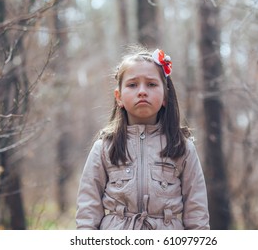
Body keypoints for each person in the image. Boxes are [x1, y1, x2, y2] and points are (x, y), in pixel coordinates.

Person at [75, 46, 210, 230]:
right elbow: (87, 210)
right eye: (132, 85)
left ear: (165, 95)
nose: (142, 91)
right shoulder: (105, 147)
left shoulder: (182, 147)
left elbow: (197, 213)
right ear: (119, 97)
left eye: (151, 84)